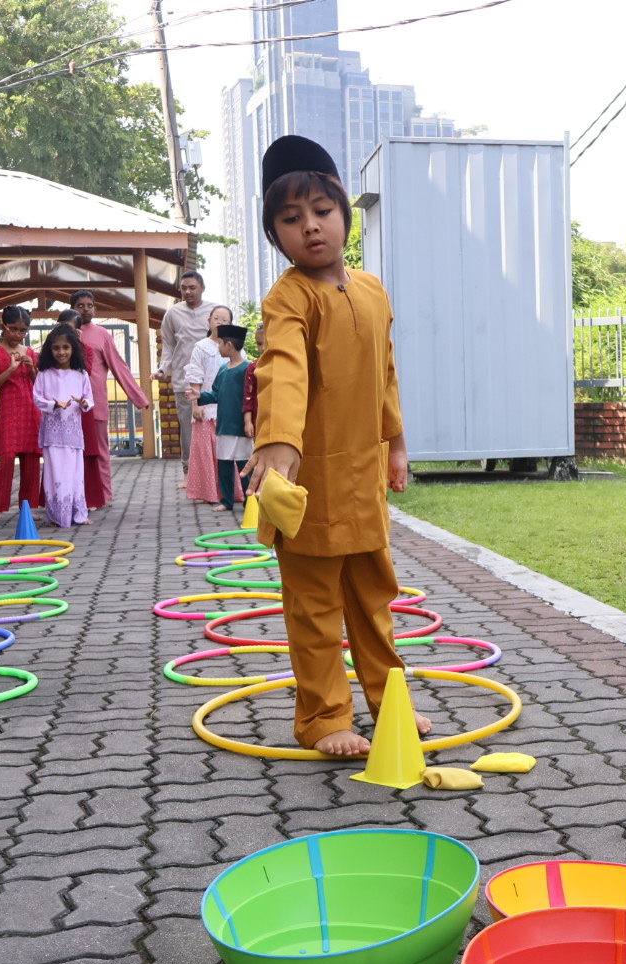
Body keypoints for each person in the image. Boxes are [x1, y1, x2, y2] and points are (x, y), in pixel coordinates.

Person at [242, 135, 421, 758]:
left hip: (363, 475)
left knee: (374, 599)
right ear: (276, 235)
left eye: (321, 211)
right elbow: (282, 368)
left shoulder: (372, 289)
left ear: (344, 213)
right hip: (309, 479)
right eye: (291, 219)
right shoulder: (288, 296)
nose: (310, 227)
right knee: (315, 605)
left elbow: (385, 373)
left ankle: (390, 703)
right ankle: (323, 718)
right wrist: (278, 443)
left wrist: (396, 444)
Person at [70, 289, 151, 508]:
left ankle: (104, 494)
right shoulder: (64, 334)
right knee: (73, 452)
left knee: (100, 451)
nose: (85, 309)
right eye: (80, 305)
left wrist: (139, 398)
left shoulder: (102, 334)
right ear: (72, 308)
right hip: (68, 404)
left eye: (89, 305)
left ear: (95, 309)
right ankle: (76, 494)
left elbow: (119, 367)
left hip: (95, 402)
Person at [33, 323, 94, 527]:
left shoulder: (81, 374)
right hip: (52, 433)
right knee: (55, 474)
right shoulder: (44, 374)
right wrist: (54, 404)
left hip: (73, 434)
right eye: (56, 348)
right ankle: (57, 516)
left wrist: (83, 403)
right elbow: (37, 399)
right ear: (49, 350)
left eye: (66, 347)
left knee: (75, 474)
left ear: (73, 349)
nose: (61, 352)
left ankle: (78, 514)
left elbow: (89, 399)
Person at [0, 305, 41, 523]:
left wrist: (31, 368)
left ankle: (29, 507)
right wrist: (10, 368)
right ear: (3, 326)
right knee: (7, 457)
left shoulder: (30, 352)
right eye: (13, 329)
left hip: (30, 410)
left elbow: (39, 385)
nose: (18, 334)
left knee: (31, 459)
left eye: (23, 330)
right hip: (9, 411)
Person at [158, 270, 214, 479]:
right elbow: (168, 346)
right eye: (184, 288)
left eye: (192, 287)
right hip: (184, 381)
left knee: (214, 426)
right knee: (188, 429)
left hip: (212, 381)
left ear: (202, 288)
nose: (188, 292)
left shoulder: (214, 311)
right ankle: (189, 474)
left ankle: (214, 473)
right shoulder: (172, 313)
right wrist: (163, 369)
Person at [194, 320, 253, 511]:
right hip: (224, 425)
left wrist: (249, 421)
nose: (217, 347)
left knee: (244, 463)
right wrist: (199, 396)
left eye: (219, 343)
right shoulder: (222, 370)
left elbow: (251, 398)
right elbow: (216, 394)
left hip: (241, 426)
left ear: (229, 345)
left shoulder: (248, 369)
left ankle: (251, 501)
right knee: (224, 464)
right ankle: (227, 501)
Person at [182, 304, 235, 505]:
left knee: (229, 451)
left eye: (224, 319)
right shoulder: (201, 347)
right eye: (216, 318)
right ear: (209, 321)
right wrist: (196, 405)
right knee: (205, 452)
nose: (220, 322)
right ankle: (209, 493)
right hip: (206, 408)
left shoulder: (233, 346)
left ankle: (233, 492)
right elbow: (195, 376)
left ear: (231, 324)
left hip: (228, 409)